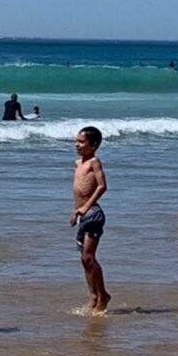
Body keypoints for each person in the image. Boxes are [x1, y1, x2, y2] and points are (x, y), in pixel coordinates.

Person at [70, 126, 110, 315]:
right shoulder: (78, 164)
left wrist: (87, 206)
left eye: (81, 142)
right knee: (84, 260)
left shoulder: (94, 162)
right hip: (82, 215)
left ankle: (103, 295)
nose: (77, 145)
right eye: (76, 141)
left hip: (93, 213)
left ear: (93, 145)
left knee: (89, 257)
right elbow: (77, 191)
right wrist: (75, 211)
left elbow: (102, 186)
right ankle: (93, 296)